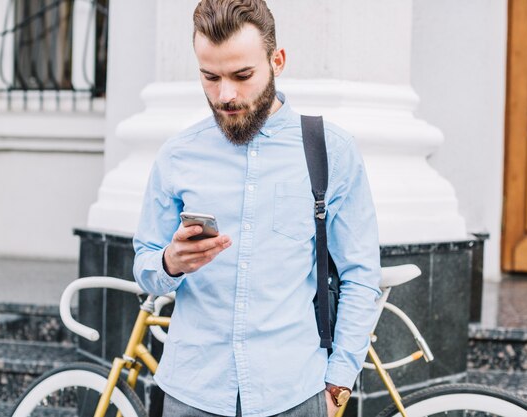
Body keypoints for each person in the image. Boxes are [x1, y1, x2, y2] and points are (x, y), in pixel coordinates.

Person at [133, 1, 381, 416]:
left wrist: (338, 381)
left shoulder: (330, 151)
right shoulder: (178, 155)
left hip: (293, 393)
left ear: (277, 61)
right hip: (192, 394)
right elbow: (144, 267)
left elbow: (360, 275)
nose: (225, 94)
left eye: (242, 76)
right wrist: (170, 262)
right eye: (210, 77)